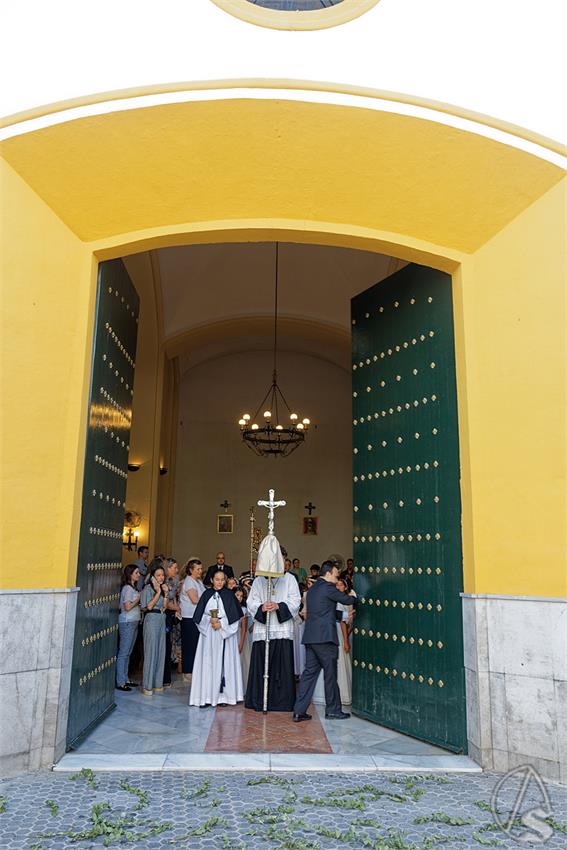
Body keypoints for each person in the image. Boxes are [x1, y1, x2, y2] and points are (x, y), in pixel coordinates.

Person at [293, 560, 357, 722]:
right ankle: (333, 710)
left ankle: (299, 711)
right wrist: (357, 595)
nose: (337, 577)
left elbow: (323, 611)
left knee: (309, 675)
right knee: (330, 675)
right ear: (328, 573)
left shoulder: (313, 589)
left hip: (311, 638)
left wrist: (342, 616)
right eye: (336, 574)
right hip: (325, 639)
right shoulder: (328, 587)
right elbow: (348, 600)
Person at [245, 568, 301, 711]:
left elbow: (295, 601)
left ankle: (282, 702)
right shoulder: (258, 581)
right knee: (262, 665)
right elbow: (251, 602)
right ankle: (258, 700)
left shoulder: (289, 579)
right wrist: (261, 607)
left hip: (282, 630)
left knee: (282, 665)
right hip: (264, 630)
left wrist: (278, 606)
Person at [189, 571, 244, 707]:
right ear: (212, 580)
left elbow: (235, 619)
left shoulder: (229, 595)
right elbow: (198, 617)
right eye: (217, 579)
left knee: (225, 664)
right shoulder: (206, 595)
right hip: (208, 635)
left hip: (223, 634)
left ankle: (223, 697)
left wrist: (222, 624)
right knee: (207, 664)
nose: (219, 582)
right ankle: (206, 697)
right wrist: (209, 620)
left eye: (222, 580)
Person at [312, 576, 353, 706]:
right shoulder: (338, 600)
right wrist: (346, 640)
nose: (338, 587)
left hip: (338, 632)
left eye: (341, 585)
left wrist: (346, 638)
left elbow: (346, 623)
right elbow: (341, 622)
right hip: (335, 631)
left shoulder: (339, 600)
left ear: (345, 587)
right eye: (337, 585)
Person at [140, 562, 168, 696]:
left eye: (163, 575)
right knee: (151, 651)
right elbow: (148, 606)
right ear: (153, 576)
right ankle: (147, 685)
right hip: (151, 619)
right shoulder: (147, 589)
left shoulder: (163, 589)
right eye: (158, 575)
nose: (161, 577)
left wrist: (166, 594)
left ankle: (157, 683)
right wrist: (158, 592)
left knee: (160, 651)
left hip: (161, 619)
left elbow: (164, 607)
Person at [116, 564, 141, 691]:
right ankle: (120, 681)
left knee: (128, 652)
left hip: (133, 621)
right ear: (130, 574)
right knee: (124, 652)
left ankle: (125, 678)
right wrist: (139, 598)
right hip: (127, 621)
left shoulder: (133, 588)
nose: (138, 575)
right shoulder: (127, 589)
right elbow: (127, 607)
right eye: (136, 572)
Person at [180, 558, 205, 679]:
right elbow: (195, 599)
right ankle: (187, 671)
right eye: (198, 569)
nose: (200, 571)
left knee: (195, 643)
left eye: (201, 568)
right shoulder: (189, 581)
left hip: (197, 617)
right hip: (189, 617)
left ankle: (194, 669)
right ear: (191, 570)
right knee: (189, 644)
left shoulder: (198, 582)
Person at [163, 557, 180, 687]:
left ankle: (166, 677)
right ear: (168, 568)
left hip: (171, 615)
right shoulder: (162, 582)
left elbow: (173, 598)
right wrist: (177, 608)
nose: (176, 570)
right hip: (164, 616)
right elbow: (166, 603)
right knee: (164, 645)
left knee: (168, 645)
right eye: (174, 567)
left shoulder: (172, 581)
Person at [235, 586, 253, 684]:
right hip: (231, 637)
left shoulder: (243, 610)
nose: (239, 598)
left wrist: (241, 643)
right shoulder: (228, 608)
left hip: (240, 637)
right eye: (237, 595)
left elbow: (244, 629)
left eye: (241, 596)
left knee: (242, 662)